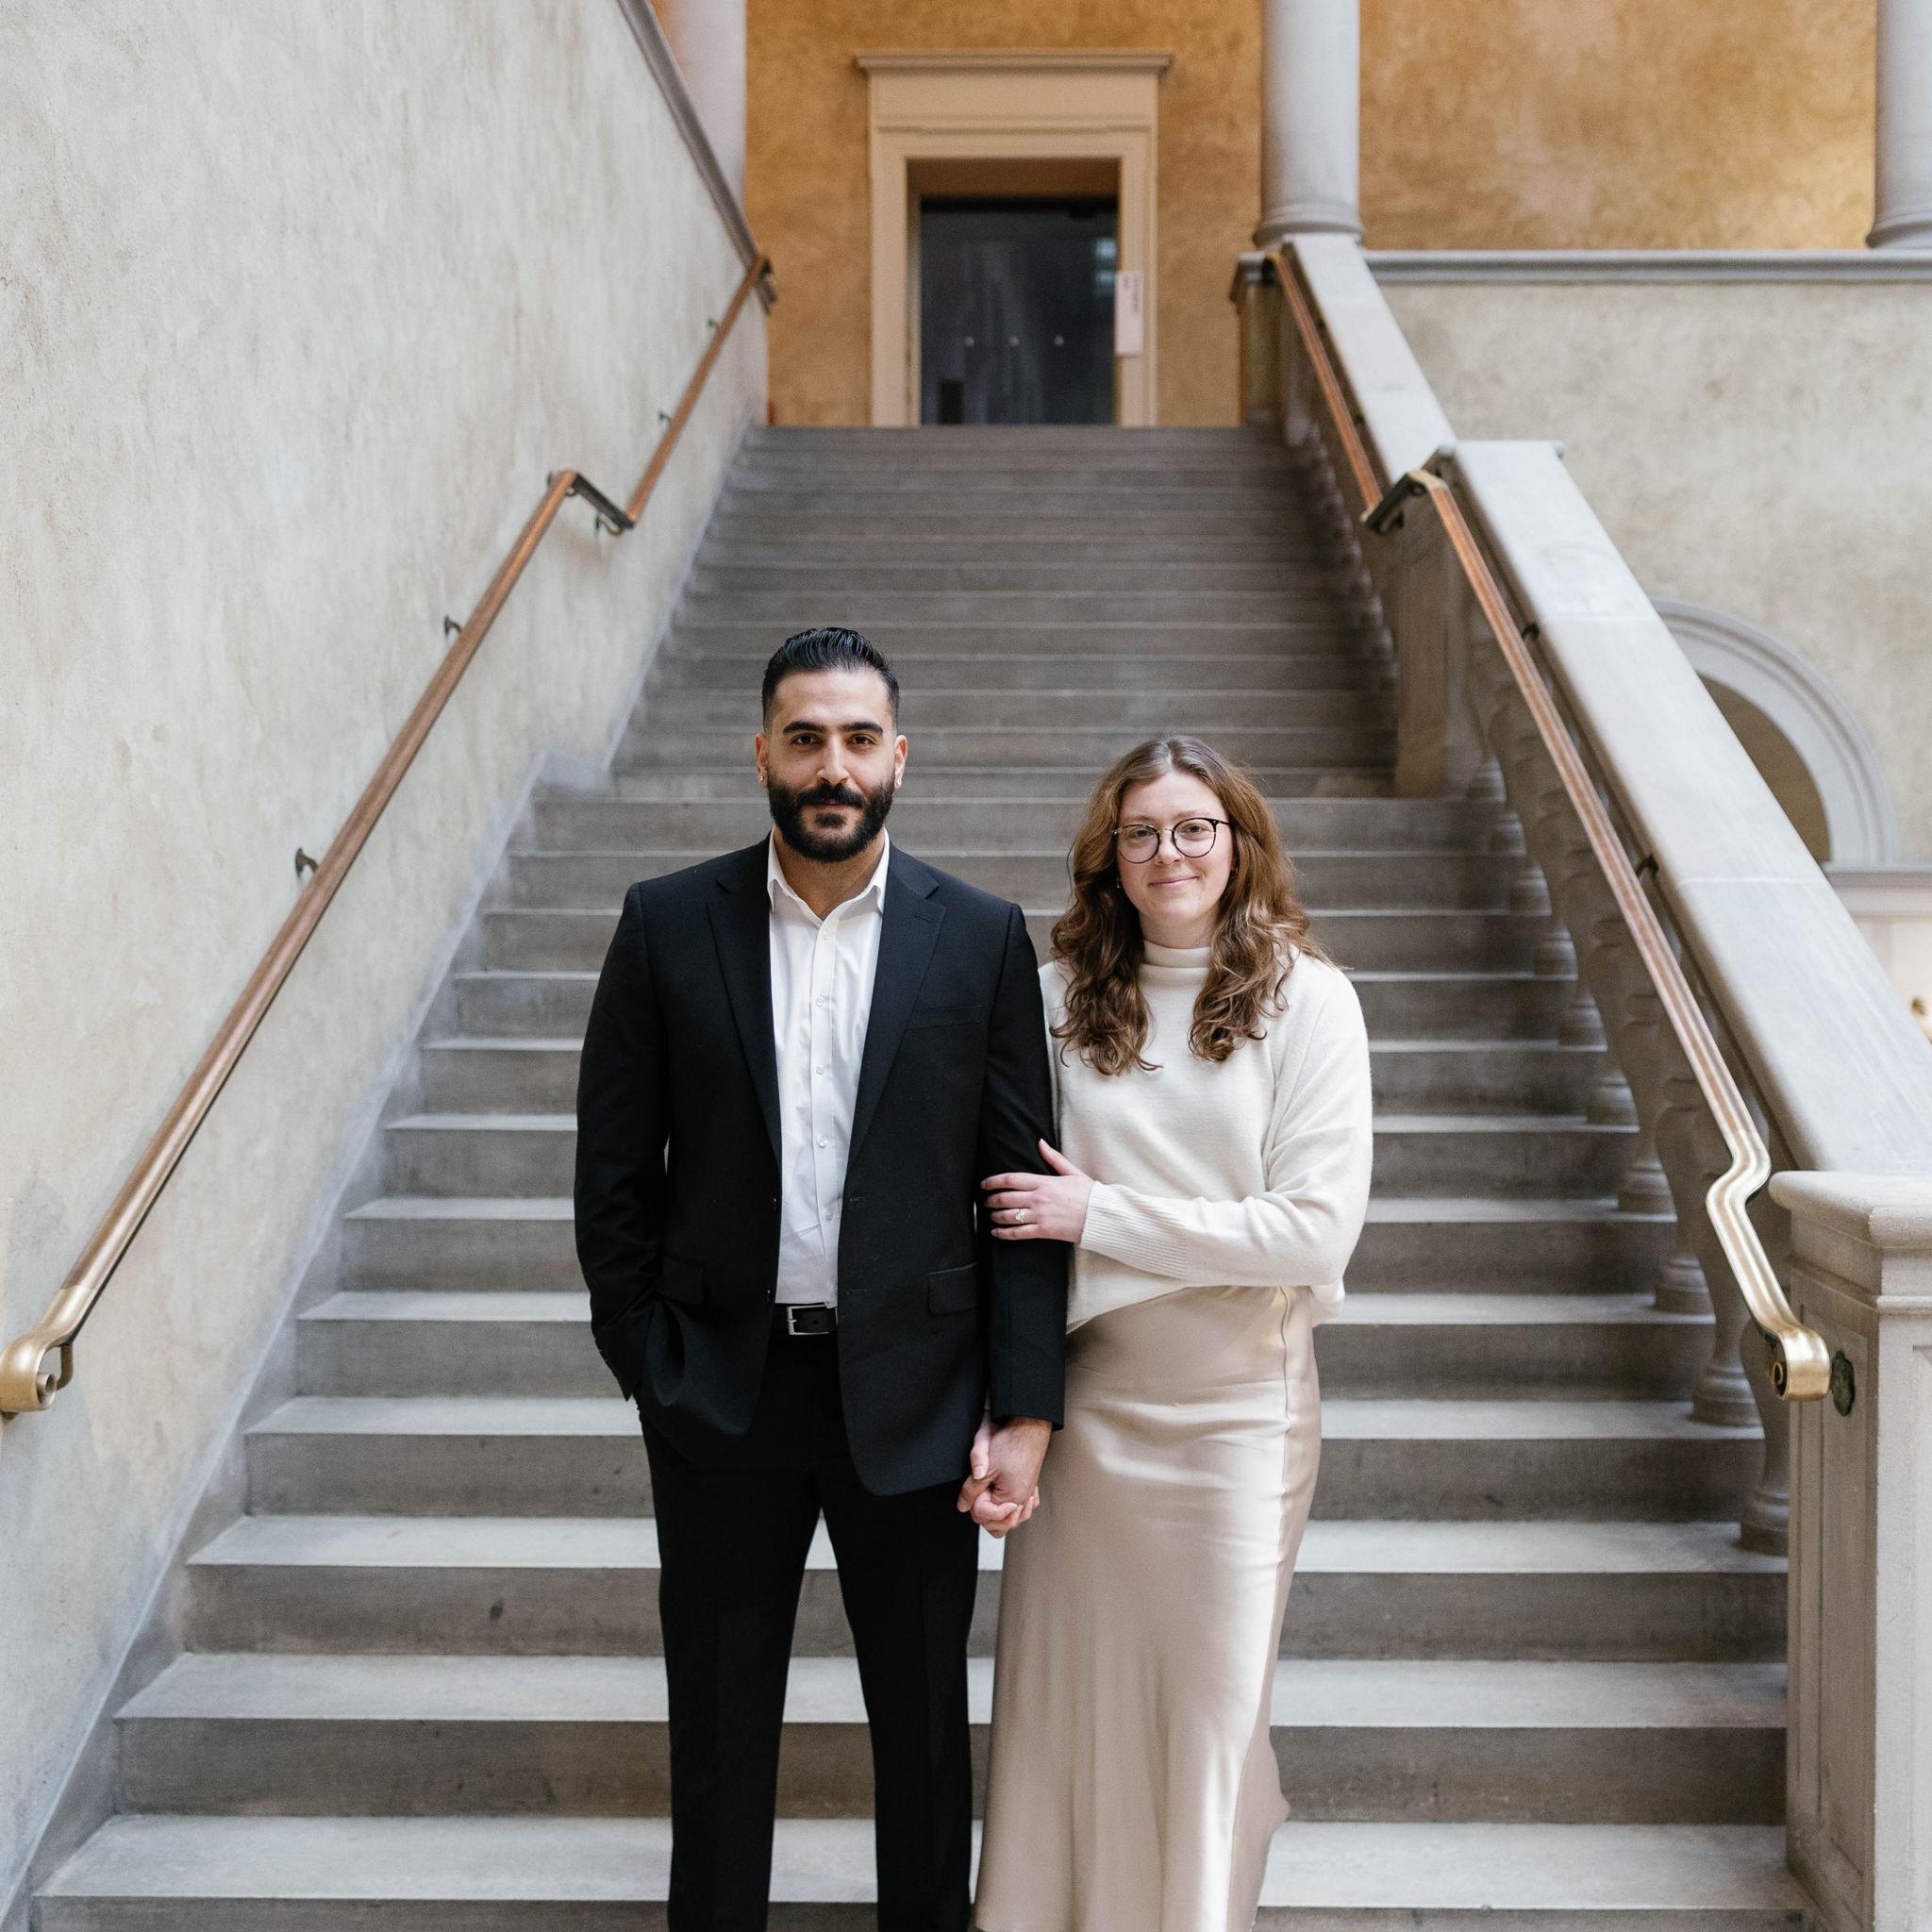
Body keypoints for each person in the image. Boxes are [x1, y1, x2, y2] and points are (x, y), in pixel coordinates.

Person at [573, 625, 1067, 1932]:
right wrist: (648, 1360)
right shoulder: (667, 924)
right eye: (804, 739)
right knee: (717, 1733)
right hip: (720, 1393)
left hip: (916, 1394)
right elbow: (611, 1176)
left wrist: (1024, 1405)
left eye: (856, 739)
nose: (830, 766)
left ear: (899, 755)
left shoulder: (979, 937)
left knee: (924, 1738)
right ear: (762, 756)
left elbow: (1019, 1194)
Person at [969, 734, 1373, 1932]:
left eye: (1194, 826)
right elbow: (1002, 1214)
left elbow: (1310, 1230)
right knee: (1068, 1717)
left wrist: (1101, 1213)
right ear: (1108, 856)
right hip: (1089, 1408)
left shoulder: (1308, 999)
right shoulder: (1052, 999)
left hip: (1239, 1406)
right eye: (1139, 832)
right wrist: (1009, 1402)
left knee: (1207, 1719)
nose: (1168, 852)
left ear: (1238, 842)